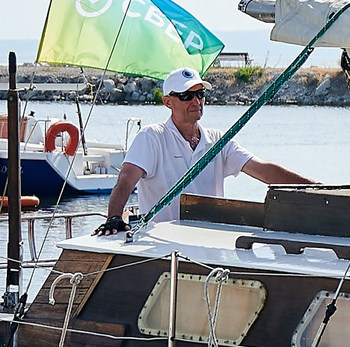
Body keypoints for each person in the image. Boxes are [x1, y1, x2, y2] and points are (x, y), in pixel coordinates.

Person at [99, 68, 313, 232]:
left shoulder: (218, 140)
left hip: (209, 243)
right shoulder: (152, 137)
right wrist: (114, 218)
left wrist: (318, 189)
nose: (196, 101)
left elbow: (263, 170)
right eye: (186, 96)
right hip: (164, 246)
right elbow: (126, 181)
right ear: (167, 102)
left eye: (200, 94)